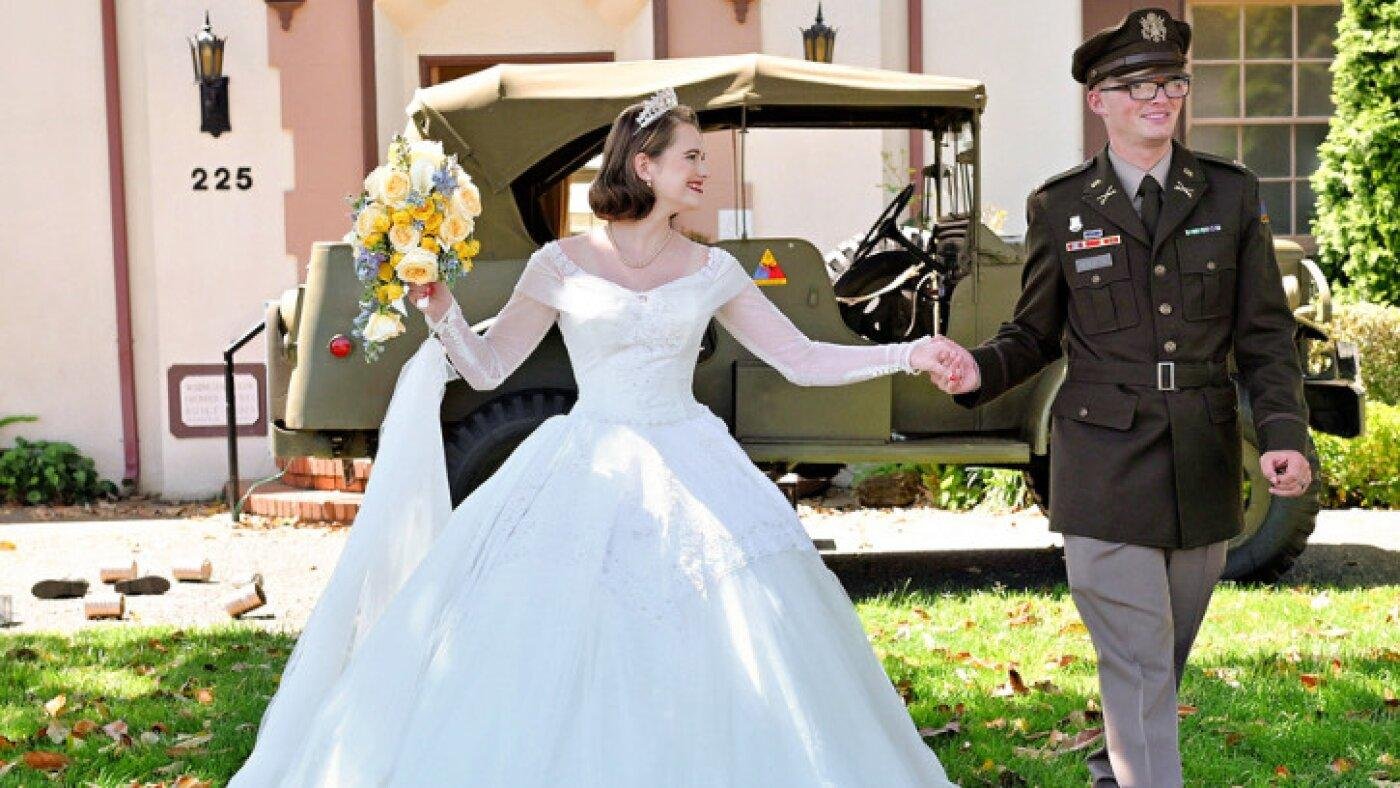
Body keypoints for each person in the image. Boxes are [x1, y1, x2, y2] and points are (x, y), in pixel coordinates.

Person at [230, 87, 956, 786]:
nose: (704, 171)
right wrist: (442, 308)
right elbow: (488, 368)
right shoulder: (559, 264)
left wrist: (909, 354)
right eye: (691, 157)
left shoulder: (714, 269)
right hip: (587, 457)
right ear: (644, 165)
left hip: (692, 458)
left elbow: (801, 358)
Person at [924, 8, 1311, 787]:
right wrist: (979, 372)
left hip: (1201, 460)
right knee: (1138, 658)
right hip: (1103, 461)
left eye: (1171, 82)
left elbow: (1266, 334)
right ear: (1098, 99)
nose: (1159, 98)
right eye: (1138, 85)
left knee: (1158, 657)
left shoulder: (1230, 195)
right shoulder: (1062, 206)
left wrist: (1282, 432)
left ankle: (1115, 771)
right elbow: (1034, 333)